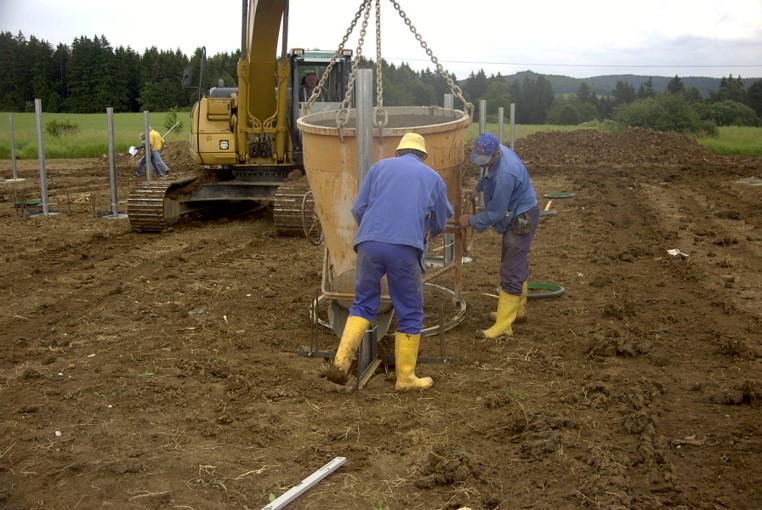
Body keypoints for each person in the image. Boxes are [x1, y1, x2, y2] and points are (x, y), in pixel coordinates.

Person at [325, 133, 453, 390]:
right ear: (423, 156)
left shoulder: (379, 167)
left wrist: (374, 233)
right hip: (405, 248)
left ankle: (340, 363)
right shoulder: (433, 177)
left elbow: (358, 208)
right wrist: (427, 231)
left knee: (362, 304)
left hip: (368, 244)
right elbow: (440, 220)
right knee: (410, 309)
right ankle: (405, 378)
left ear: (398, 152)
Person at [458, 133, 539, 339]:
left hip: (521, 217)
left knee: (511, 265)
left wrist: (471, 221)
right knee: (515, 259)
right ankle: (516, 311)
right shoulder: (495, 153)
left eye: (487, 160)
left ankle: (504, 325)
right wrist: (478, 189)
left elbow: (495, 213)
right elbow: (487, 173)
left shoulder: (505, 175)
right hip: (518, 209)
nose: (483, 164)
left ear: (496, 153)